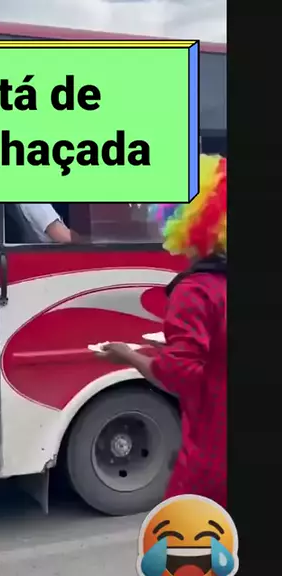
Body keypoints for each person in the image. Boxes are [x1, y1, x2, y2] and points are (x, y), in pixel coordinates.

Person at [94, 155, 227, 507]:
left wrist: (129, 356)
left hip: (213, 455)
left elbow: (181, 374)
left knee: (187, 536)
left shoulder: (195, 291)